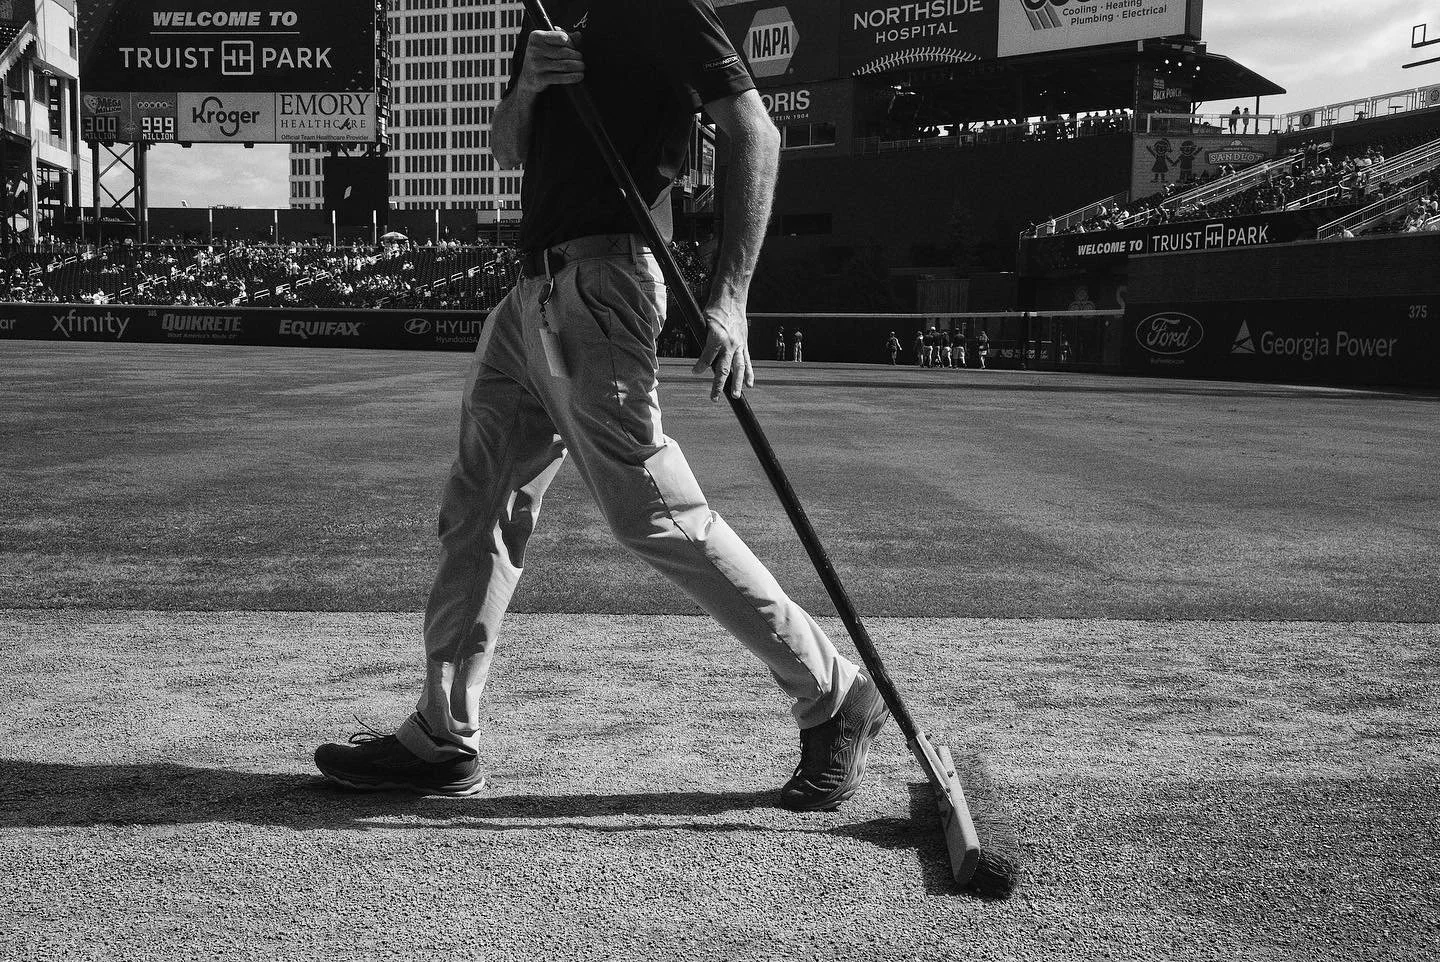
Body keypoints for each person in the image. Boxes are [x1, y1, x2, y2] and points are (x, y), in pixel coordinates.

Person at [312, 0, 888, 812]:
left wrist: (730, 296)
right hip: (528, 293)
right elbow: (508, 147)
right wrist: (528, 85)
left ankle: (834, 692)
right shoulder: (545, 16)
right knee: (478, 508)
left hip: (605, 280)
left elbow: (755, 131)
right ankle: (442, 737)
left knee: (652, 510)